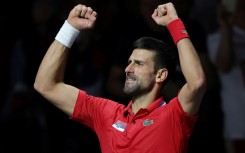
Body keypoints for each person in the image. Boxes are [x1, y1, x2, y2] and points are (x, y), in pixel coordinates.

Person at [34, 2, 206, 153]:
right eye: (129, 62)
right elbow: (45, 85)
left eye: (139, 64)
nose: (128, 69)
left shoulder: (174, 115)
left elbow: (196, 83)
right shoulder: (107, 113)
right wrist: (69, 29)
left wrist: (174, 23)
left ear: (160, 75)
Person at [207, 0, 245, 153]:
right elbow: (224, 65)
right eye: (243, 8)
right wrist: (226, 29)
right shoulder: (217, 38)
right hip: (240, 129)